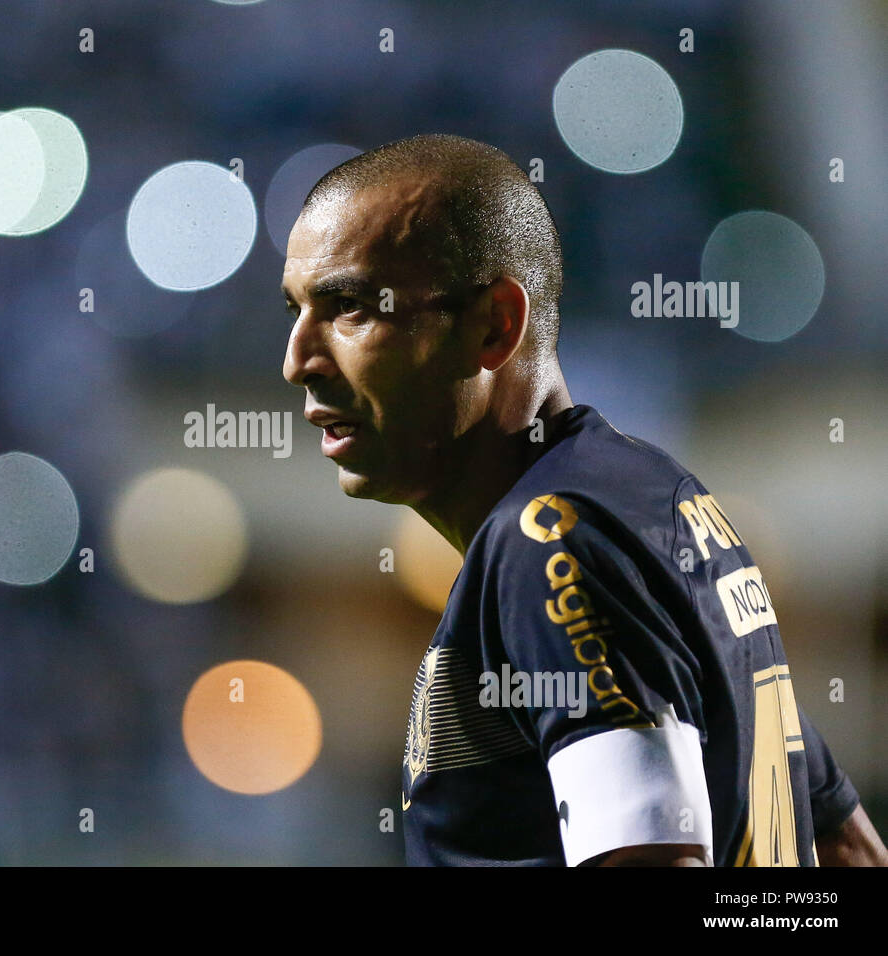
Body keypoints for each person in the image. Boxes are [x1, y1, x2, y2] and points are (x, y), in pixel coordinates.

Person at [280, 133, 888, 867]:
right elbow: (849, 849)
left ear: (496, 325)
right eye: (296, 310)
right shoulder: (661, 499)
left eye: (348, 307)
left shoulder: (547, 540)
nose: (298, 362)